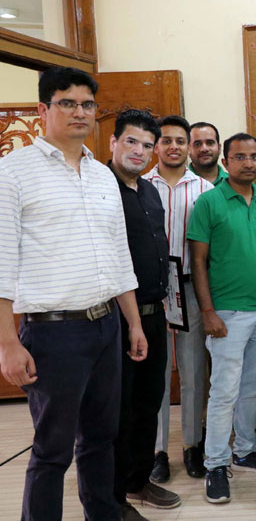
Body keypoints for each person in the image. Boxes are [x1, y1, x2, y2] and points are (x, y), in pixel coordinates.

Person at [0, 67, 145, 520]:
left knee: (101, 439)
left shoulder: (102, 175)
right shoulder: (13, 172)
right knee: (52, 450)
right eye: (67, 103)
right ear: (43, 110)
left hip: (106, 325)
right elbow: (2, 263)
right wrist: (7, 343)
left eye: (87, 104)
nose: (79, 112)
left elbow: (118, 255)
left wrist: (134, 322)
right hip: (53, 333)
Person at [187, 132, 256, 503]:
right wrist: (208, 312)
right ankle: (216, 464)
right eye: (240, 157)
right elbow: (198, 260)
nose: (248, 163)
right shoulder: (209, 202)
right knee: (224, 391)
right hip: (227, 315)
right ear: (225, 161)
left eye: (254, 156)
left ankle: (245, 450)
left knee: (253, 388)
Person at [108, 109, 181, 519]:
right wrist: (133, 321)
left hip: (155, 315)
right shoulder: (100, 188)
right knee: (117, 410)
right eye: (131, 142)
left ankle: (138, 480)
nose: (139, 151)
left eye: (147, 145)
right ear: (113, 142)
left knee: (148, 403)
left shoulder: (150, 191)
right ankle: (113, 497)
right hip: (116, 318)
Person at [144, 115, 215, 482]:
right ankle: (157, 451)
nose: (173, 146)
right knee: (156, 372)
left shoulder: (205, 190)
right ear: (156, 145)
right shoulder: (139, 186)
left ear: (189, 147)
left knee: (192, 371)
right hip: (150, 291)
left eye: (180, 141)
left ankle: (192, 444)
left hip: (190, 287)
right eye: (166, 140)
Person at [189, 121, 228, 186]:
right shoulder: (177, 184)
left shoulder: (235, 184)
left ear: (219, 148)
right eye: (197, 144)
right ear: (188, 149)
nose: (204, 149)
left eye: (210, 143)